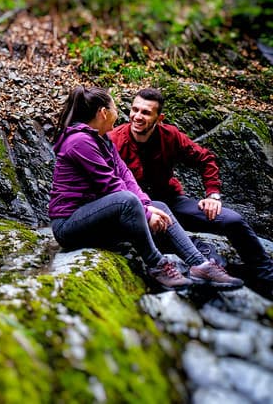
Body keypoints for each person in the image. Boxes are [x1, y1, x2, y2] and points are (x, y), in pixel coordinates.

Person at [49, 86, 243, 291]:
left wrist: (148, 206)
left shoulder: (102, 139)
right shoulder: (79, 141)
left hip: (95, 219)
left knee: (159, 205)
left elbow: (125, 175)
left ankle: (200, 264)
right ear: (103, 113)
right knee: (126, 199)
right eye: (116, 108)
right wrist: (146, 212)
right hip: (68, 226)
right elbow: (109, 185)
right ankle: (157, 265)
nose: (120, 114)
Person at [110, 87, 273, 298]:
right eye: (135, 110)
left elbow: (205, 159)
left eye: (146, 112)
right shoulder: (113, 140)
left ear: (159, 118)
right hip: (139, 211)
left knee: (233, 220)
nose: (137, 116)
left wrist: (213, 195)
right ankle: (204, 260)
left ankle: (267, 277)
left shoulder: (170, 136)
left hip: (173, 202)